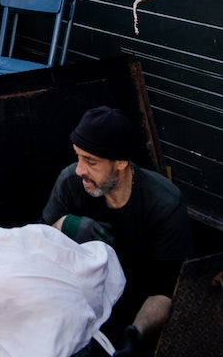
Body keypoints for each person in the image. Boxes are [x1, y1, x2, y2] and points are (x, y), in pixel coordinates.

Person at [42, 106, 192, 357]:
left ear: (121, 162)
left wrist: (136, 333)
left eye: (91, 161)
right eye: (78, 157)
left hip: (135, 309)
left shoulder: (164, 205)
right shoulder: (71, 181)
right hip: (76, 302)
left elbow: (166, 293)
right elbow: (38, 240)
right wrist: (66, 225)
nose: (80, 170)